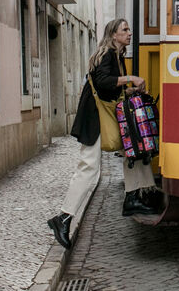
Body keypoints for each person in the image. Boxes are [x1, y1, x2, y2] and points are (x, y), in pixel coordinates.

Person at [47, 19, 161, 248]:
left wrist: (129, 89)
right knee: (88, 167)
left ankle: (134, 197)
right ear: (113, 35)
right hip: (95, 118)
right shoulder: (107, 54)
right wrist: (131, 78)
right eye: (125, 30)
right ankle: (63, 218)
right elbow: (102, 81)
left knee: (135, 150)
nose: (129, 33)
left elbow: (111, 87)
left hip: (106, 116)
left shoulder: (117, 56)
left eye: (129, 29)